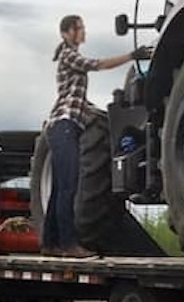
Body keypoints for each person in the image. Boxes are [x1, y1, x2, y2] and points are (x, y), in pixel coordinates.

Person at [45, 14, 150, 258]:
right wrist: (131, 57)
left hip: (66, 125)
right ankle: (69, 244)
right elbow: (98, 65)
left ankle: (49, 243)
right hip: (65, 125)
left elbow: (74, 93)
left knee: (60, 187)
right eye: (80, 29)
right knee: (69, 188)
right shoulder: (69, 54)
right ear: (67, 32)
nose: (84, 33)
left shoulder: (67, 55)